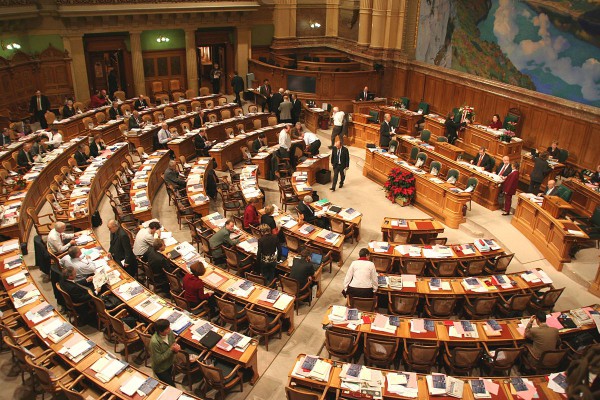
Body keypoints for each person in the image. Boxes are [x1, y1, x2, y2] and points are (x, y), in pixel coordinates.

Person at [150, 319, 181, 386]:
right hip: (161, 369)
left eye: (169, 327)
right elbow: (157, 360)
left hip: (170, 363)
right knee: (172, 387)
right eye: (167, 328)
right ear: (160, 331)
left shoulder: (169, 333)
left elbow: (173, 343)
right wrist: (171, 349)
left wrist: (176, 348)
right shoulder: (154, 342)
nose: (169, 329)